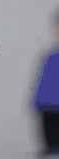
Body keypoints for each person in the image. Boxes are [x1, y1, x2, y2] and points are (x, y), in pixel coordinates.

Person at [33, 9, 59, 156]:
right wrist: (37, 103)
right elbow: (42, 84)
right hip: (48, 112)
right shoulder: (50, 57)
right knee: (51, 149)